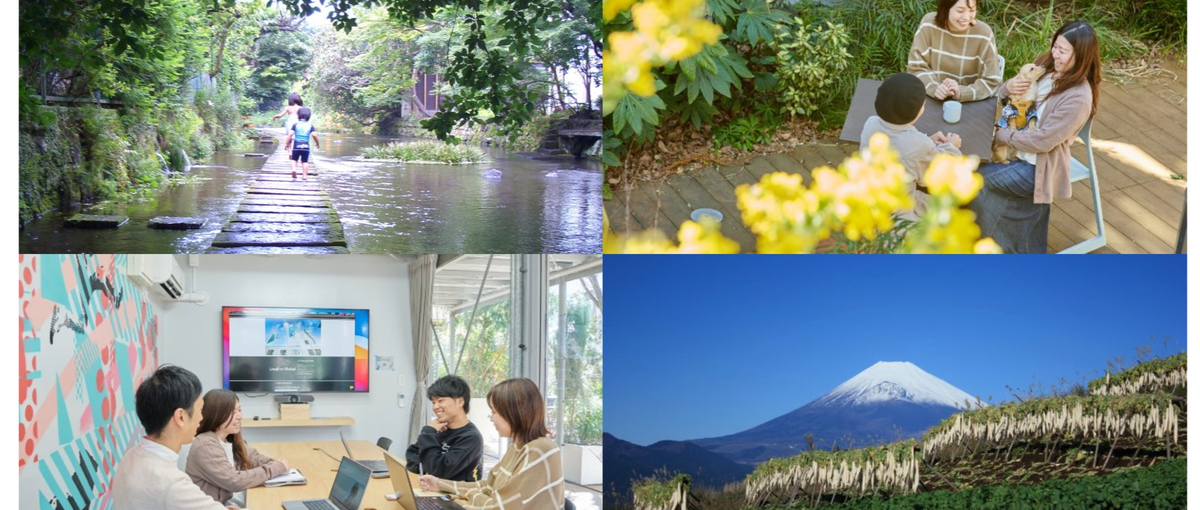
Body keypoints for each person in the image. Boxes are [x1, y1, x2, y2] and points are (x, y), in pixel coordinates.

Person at [969, 21, 1100, 253]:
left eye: (1062, 51)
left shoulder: (1078, 97)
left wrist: (1002, 135)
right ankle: (993, 245)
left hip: (1036, 165)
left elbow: (1043, 141)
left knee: (975, 179)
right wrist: (1009, 86)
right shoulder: (1046, 67)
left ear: (1080, 56)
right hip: (1010, 149)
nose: (1054, 54)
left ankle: (982, 244)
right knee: (966, 157)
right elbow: (1002, 97)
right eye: (1055, 46)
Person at [418, 378, 564, 510]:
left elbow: (498, 507)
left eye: (494, 412)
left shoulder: (540, 450)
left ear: (515, 412)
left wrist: (469, 494)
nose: (491, 418)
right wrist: (438, 484)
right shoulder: (516, 447)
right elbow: (488, 486)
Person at [111, 365, 238, 510]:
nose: (201, 418)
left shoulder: (131, 456)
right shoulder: (171, 483)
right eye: (200, 410)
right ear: (181, 416)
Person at [861, 73, 963, 222]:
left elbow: (899, 146)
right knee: (949, 212)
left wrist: (926, 140)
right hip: (899, 214)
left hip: (871, 200)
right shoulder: (919, 144)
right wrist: (952, 146)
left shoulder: (871, 124)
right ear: (917, 111)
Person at [186, 390, 289, 507]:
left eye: (239, 410)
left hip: (234, 504)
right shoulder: (205, 444)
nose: (239, 416)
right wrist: (273, 469)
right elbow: (234, 480)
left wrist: (272, 463)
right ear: (216, 414)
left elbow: (254, 457)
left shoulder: (229, 438)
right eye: (232, 412)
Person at [908, 0, 1002, 102]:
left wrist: (962, 92)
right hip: (930, 98)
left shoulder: (984, 34)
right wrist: (934, 87)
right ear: (945, 8)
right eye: (960, 11)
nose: (966, 17)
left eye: (972, 10)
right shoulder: (928, 24)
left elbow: (992, 81)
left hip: (970, 103)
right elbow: (916, 68)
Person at [405, 375, 484, 482]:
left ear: (460, 402)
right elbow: (411, 454)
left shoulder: (471, 437)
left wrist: (428, 432)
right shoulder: (440, 429)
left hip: (456, 496)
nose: (435, 407)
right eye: (433, 402)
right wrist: (428, 468)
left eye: (440, 401)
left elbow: (439, 471)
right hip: (434, 490)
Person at [284, 107, 320, 180]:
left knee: (294, 159)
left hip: (296, 145)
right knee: (305, 161)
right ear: (309, 117)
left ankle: (294, 169)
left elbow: (290, 134)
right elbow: (314, 135)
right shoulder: (310, 126)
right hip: (306, 146)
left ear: (298, 116)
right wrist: (317, 143)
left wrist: (286, 144)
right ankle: (304, 176)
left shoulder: (295, 125)